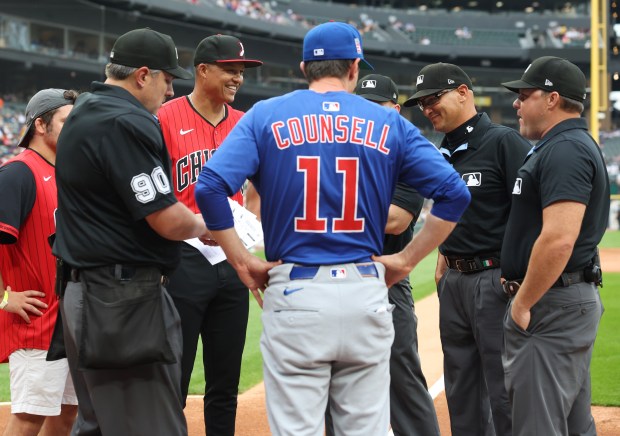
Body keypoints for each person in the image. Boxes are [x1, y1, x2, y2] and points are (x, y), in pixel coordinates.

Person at [194, 22, 471, 435]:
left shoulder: (266, 115)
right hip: (365, 287)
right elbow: (454, 193)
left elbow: (210, 187)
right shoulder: (387, 122)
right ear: (355, 68)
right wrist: (405, 259)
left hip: (295, 288)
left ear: (304, 66)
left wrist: (241, 261)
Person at [51, 28, 209, 435]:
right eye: (167, 79)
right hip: (120, 299)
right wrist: (209, 225)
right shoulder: (123, 119)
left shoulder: (86, 108)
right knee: (153, 427)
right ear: (143, 75)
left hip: (91, 291)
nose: (171, 91)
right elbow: (167, 219)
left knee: (98, 425)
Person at [402, 62, 531, 436]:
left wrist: (517, 273)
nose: (426, 109)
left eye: (433, 98)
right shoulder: (442, 153)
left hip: (494, 280)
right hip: (455, 281)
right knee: (461, 389)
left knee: (504, 389)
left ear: (463, 92)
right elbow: (454, 213)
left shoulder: (504, 142)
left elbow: (530, 213)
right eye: (421, 103)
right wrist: (443, 258)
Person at [157, 34, 263, 436]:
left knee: (225, 380)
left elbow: (261, 184)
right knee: (174, 378)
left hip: (232, 259)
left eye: (241, 73)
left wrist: (248, 224)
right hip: (183, 258)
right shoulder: (165, 117)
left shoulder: (244, 122)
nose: (238, 79)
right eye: (230, 71)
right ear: (202, 70)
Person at [325, 73, 440, 436]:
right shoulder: (330, 148)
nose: (369, 114)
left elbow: (396, 219)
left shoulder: (408, 153)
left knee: (402, 377)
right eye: (363, 105)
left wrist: (330, 204)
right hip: (331, 280)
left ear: (394, 109)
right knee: (334, 383)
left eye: (378, 107)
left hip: (384, 279)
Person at [500, 56, 609, 436]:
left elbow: (560, 239)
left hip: (550, 305)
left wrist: (523, 302)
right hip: (562, 299)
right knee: (574, 424)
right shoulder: (564, 145)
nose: (516, 103)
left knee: (537, 425)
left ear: (552, 99)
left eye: (524, 94)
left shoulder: (565, 149)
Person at [0, 88, 78, 436]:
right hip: (36, 322)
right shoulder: (18, 173)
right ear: (41, 125)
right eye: (67, 120)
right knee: (29, 418)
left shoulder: (69, 174)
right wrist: (4, 298)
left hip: (72, 318)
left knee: (66, 413)